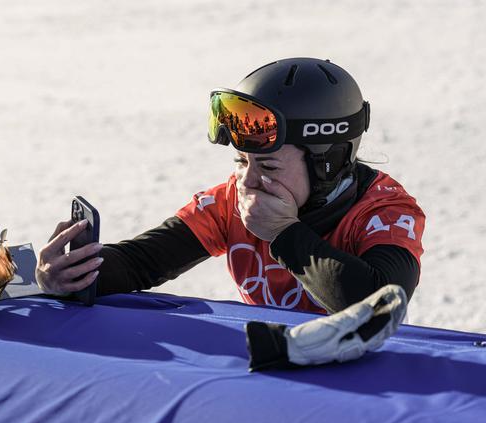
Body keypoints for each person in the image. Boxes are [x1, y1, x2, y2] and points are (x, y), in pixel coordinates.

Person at [35, 57, 425, 314]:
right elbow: (142, 263)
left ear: (329, 162)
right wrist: (71, 274)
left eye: (268, 164)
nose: (248, 181)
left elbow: (379, 307)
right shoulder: (232, 201)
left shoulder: (385, 211)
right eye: (241, 161)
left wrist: (283, 233)